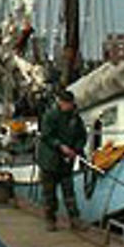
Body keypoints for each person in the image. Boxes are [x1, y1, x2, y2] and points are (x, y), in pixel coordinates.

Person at [36, 88, 87, 231]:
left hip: (66, 161)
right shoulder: (51, 116)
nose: (68, 106)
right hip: (50, 159)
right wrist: (60, 146)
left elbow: (82, 136)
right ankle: (50, 219)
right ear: (61, 103)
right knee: (49, 193)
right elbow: (46, 135)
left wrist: (76, 149)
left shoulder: (75, 117)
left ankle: (74, 219)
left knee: (69, 192)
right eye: (66, 103)